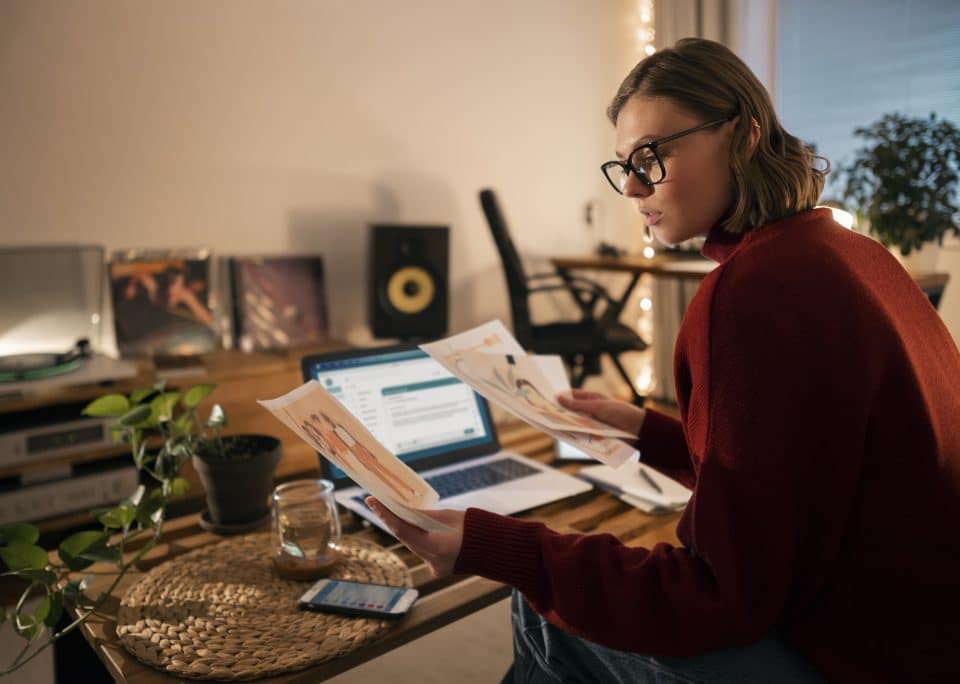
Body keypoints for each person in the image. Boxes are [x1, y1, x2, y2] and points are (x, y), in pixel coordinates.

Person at [366, 37, 960, 683]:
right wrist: (647, 431)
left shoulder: (754, 290)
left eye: (653, 155)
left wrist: (498, 547)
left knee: (539, 602)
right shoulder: (849, 251)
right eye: (623, 163)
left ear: (745, 135)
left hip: (857, 658)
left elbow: (718, 598)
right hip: (925, 633)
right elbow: (800, 475)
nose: (631, 185)